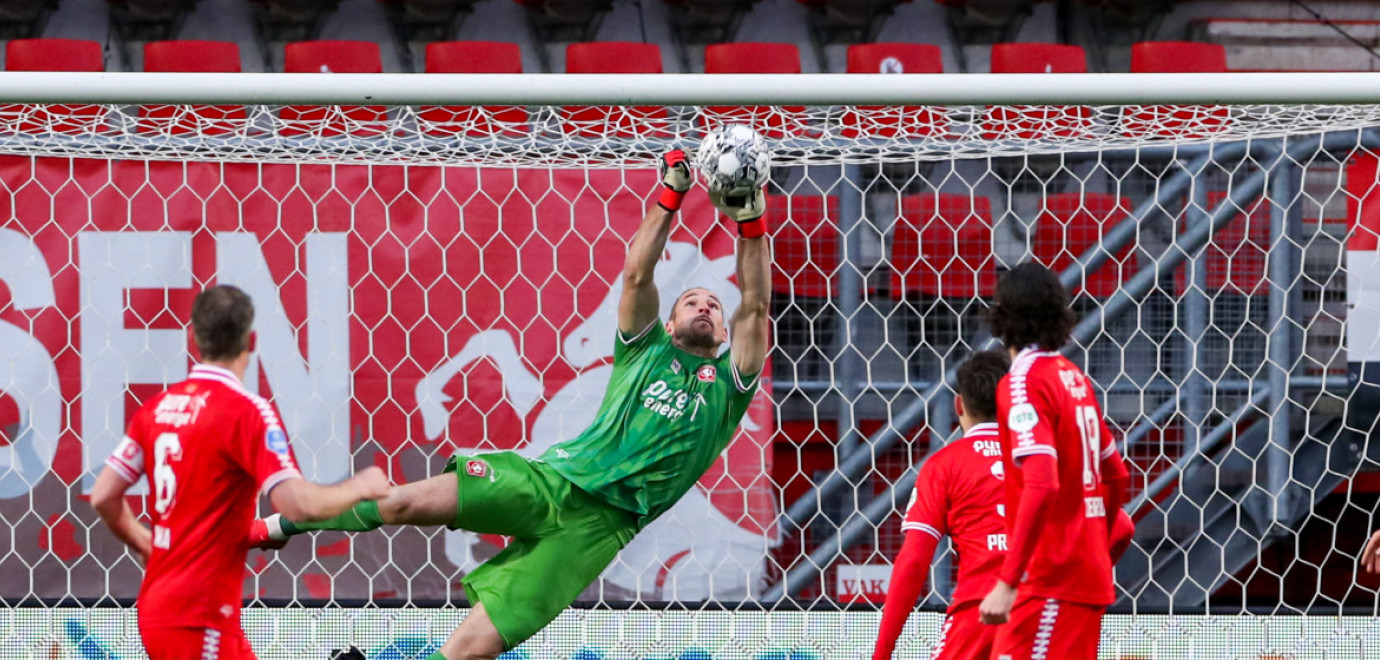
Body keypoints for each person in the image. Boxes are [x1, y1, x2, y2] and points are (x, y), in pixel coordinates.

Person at [250, 148, 773, 660]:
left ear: (725, 331)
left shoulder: (728, 386)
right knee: (401, 502)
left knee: (469, 651)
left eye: (712, 306)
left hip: (598, 531)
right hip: (547, 480)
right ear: (668, 322)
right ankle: (276, 527)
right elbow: (638, 272)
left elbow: (756, 302)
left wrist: (750, 220)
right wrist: (670, 196)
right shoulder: (643, 350)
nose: (704, 305)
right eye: (691, 301)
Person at [90, 284, 391, 660]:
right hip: (200, 616)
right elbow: (296, 503)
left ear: (193, 337)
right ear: (251, 340)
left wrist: (144, 543)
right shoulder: (246, 412)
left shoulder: (156, 410)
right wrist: (360, 485)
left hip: (162, 607)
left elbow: (103, 495)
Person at [872, 350, 1134, 660]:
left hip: (979, 612)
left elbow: (914, 560)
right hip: (1043, 612)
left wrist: (883, 652)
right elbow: (1122, 527)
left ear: (959, 406)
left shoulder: (944, 465)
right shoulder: (1047, 460)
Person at [977, 262, 1132, 660]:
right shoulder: (1073, 377)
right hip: (1078, 577)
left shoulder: (1023, 383)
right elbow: (1115, 474)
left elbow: (1042, 483)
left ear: (1001, 315)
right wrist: (1094, 544)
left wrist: (1008, 581)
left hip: (1047, 580)